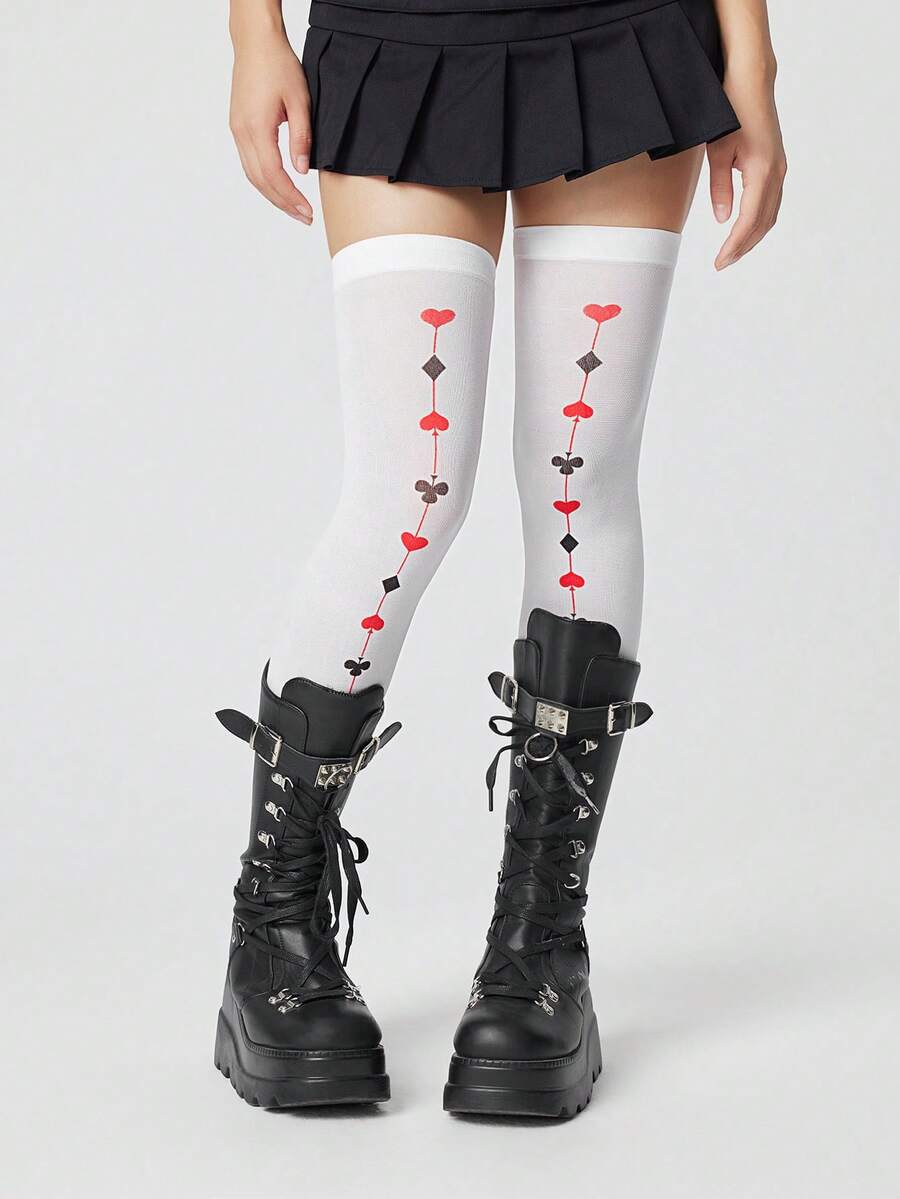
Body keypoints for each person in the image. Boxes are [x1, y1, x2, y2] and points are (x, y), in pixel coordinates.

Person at [214, 0, 786, 1116]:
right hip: (401, 29)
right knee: (410, 489)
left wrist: (752, 56)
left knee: (579, 474)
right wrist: (252, 30)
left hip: (621, 29)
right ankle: (271, 936)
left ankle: (539, 948)